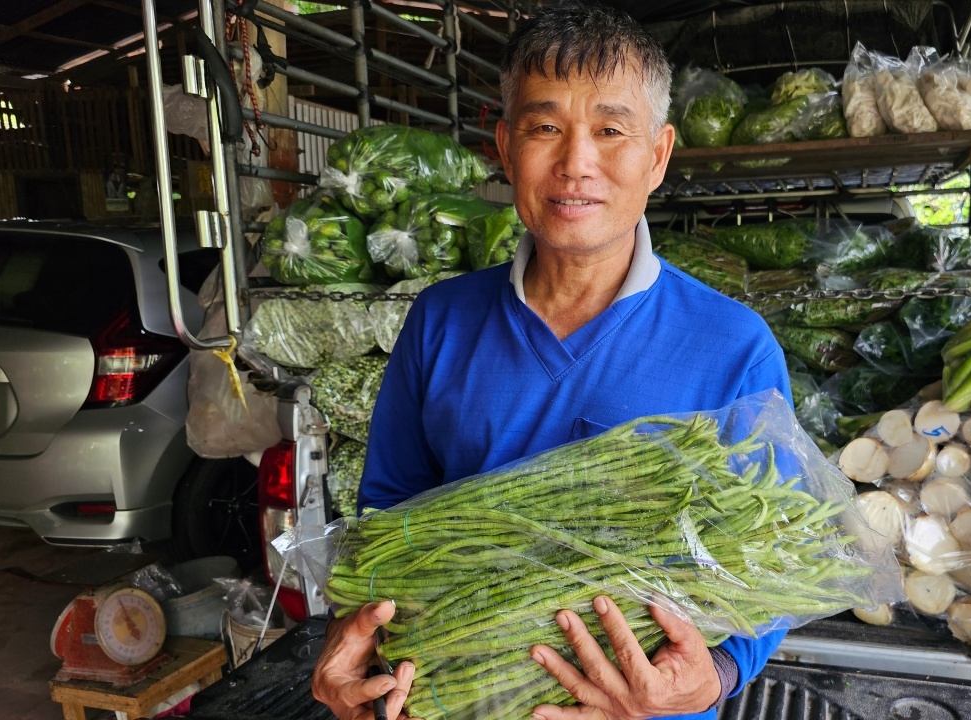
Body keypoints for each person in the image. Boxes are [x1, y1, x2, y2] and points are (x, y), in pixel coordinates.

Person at [311, 4, 791, 719]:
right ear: (506, 149)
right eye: (545, 129)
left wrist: (717, 672)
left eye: (609, 130)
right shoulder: (440, 322)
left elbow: (775, 559)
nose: (576, 164)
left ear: (657, 155)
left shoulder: (733, 346)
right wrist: (350, 649)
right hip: (460, 699)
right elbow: (387, 523)